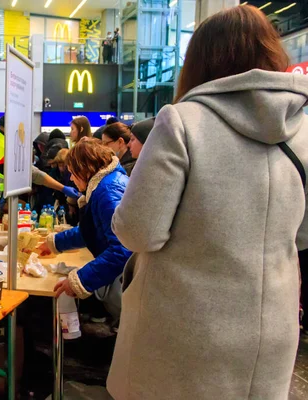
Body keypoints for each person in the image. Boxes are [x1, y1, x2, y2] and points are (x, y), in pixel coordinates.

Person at [108, 6, 308, 400]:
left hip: (185, 335)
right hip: (271, 335)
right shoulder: (301, 132)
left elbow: (138, 232)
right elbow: (301, 236)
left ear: (200, 60)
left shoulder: (181, 122)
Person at [36, 138, 130, 303]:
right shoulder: (104, 186)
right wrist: (54, 243)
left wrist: (80, 280)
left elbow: (121, 249)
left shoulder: (107, 192)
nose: (71, 179)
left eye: (72, 172)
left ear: (85, 169)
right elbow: (92, 230)